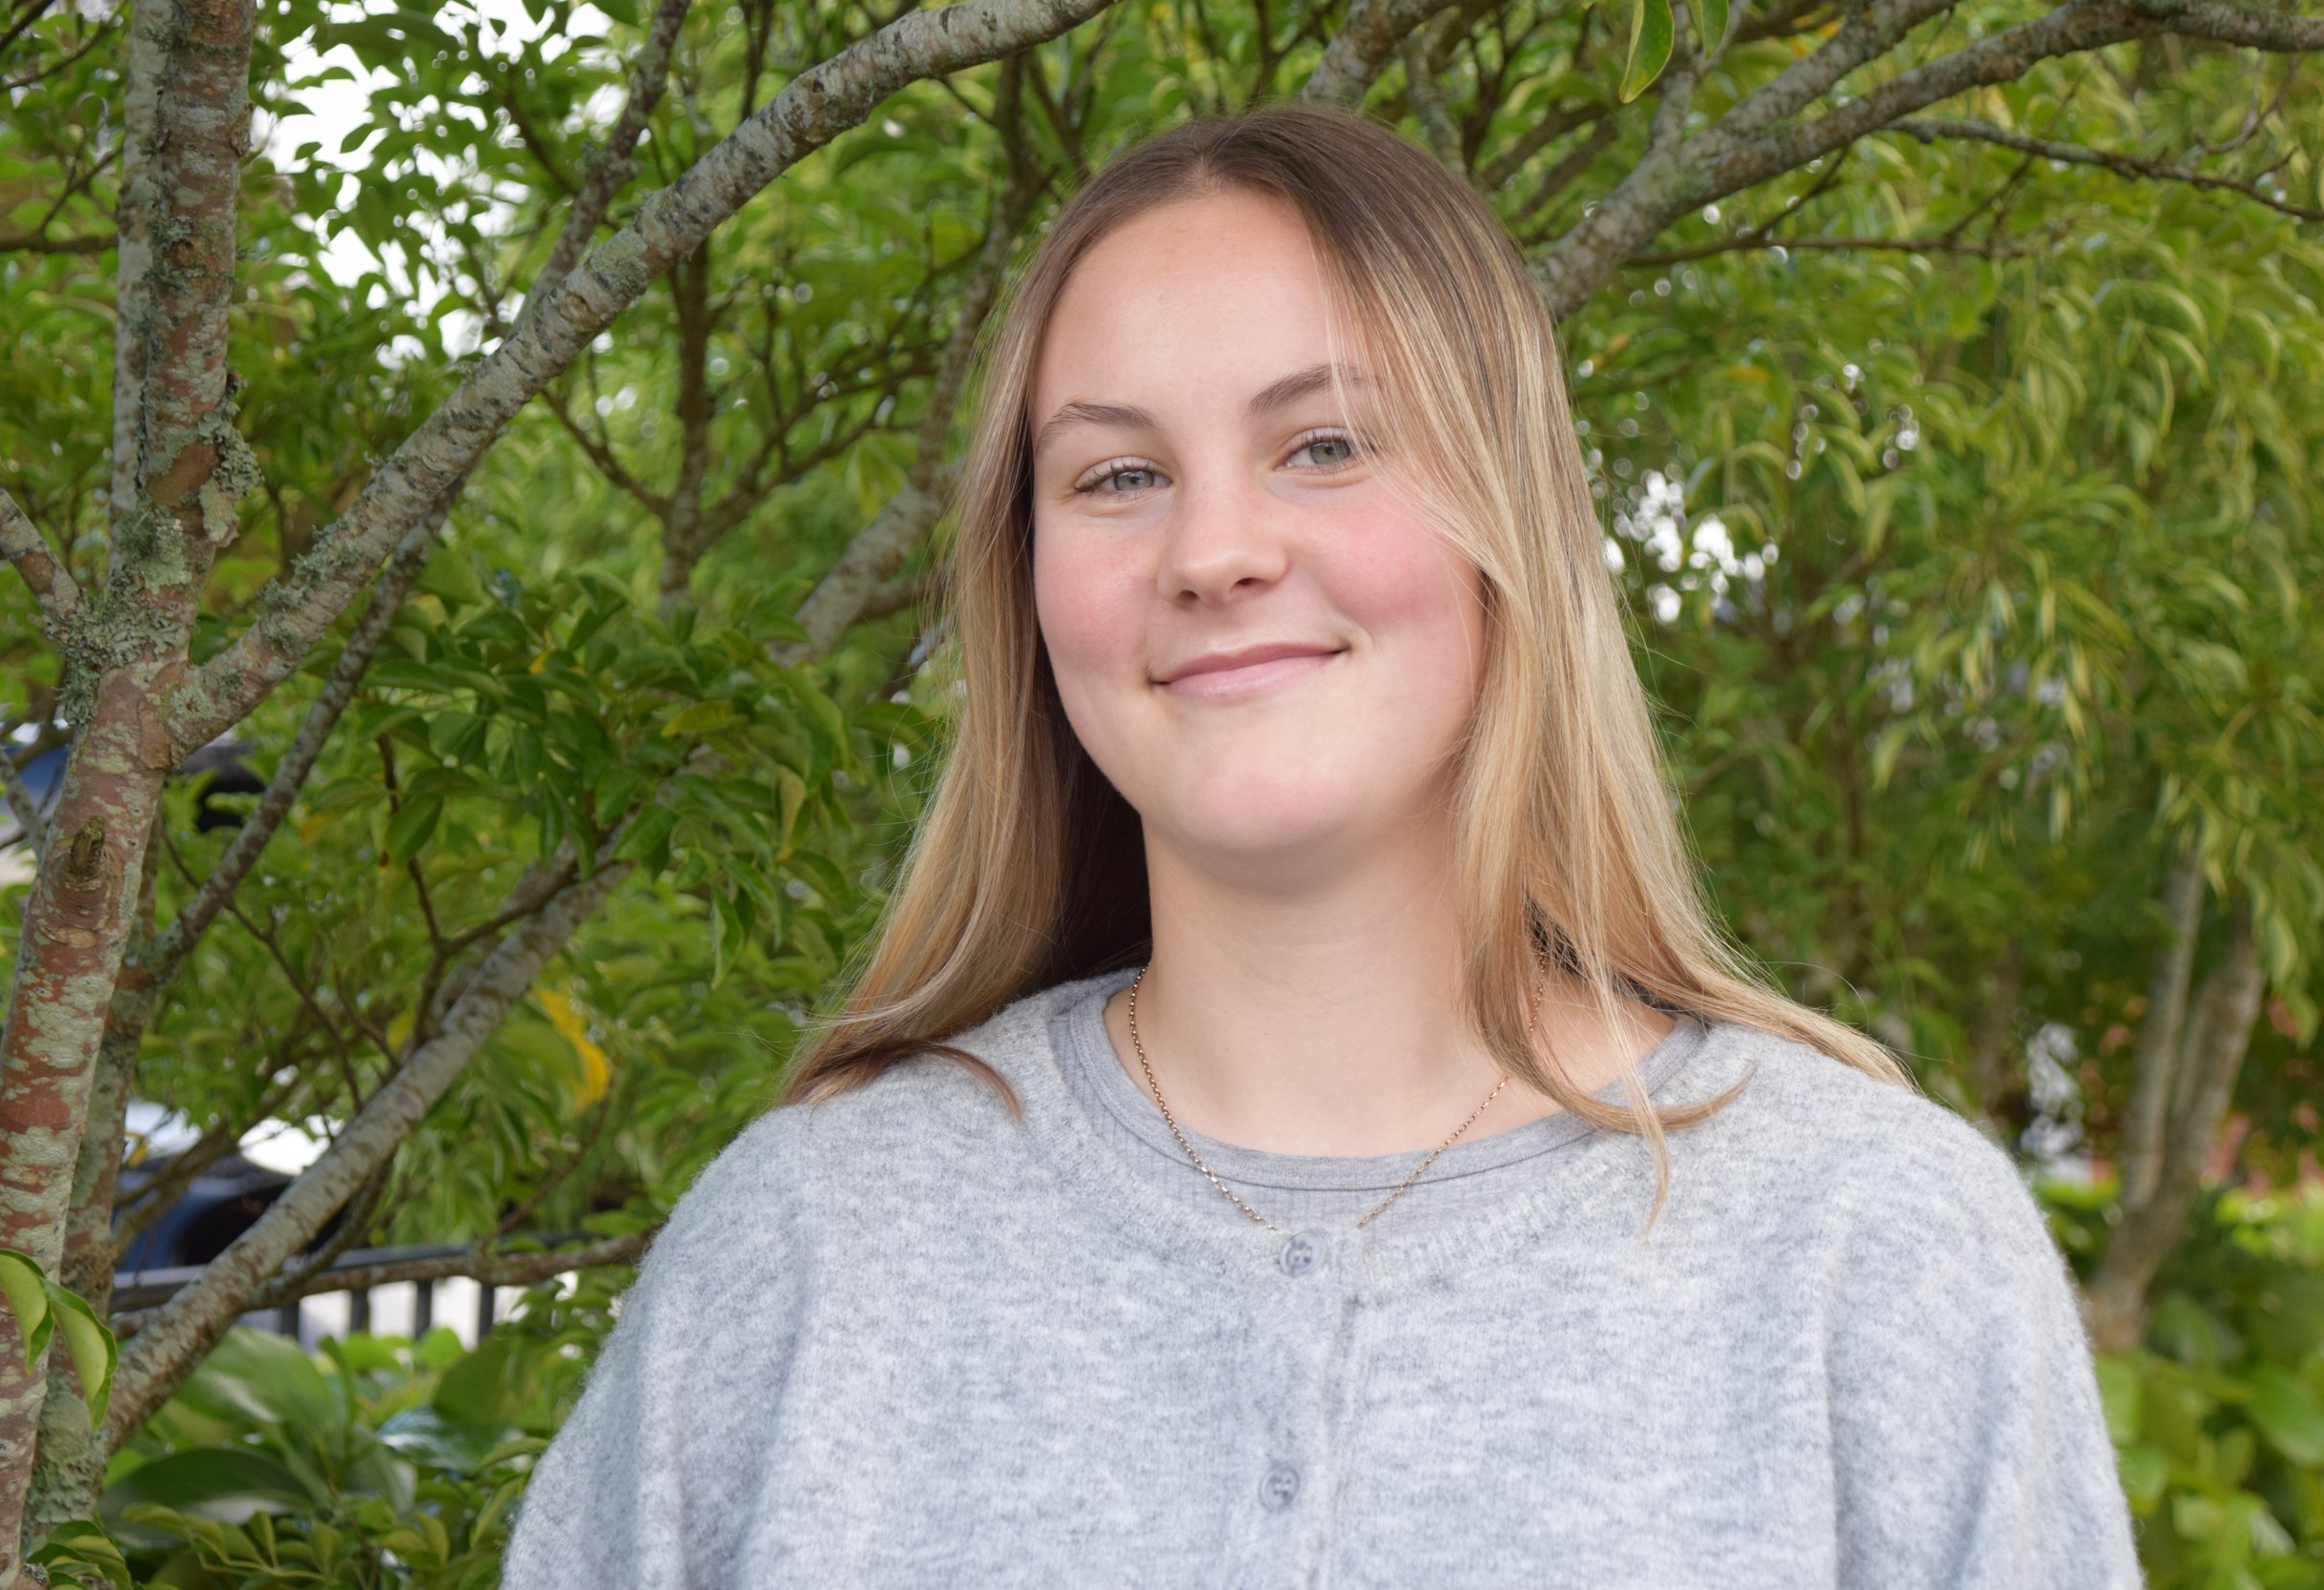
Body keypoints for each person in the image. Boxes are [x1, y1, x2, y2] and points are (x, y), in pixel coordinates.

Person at [499, 100, 2142, 1589]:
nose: (1213, 550)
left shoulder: (1871, 1252)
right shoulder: (810, 1252)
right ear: (1028, 582)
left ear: (1510, 522)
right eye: (1118, 473)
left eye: (1327, 444)